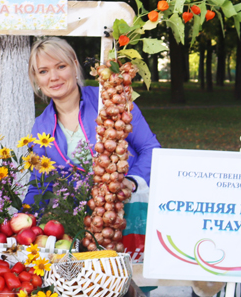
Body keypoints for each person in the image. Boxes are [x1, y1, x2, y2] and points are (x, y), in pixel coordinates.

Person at [22, 37, 160, 206]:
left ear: (75, 66)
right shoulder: (41, 126)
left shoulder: (110, 101)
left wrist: (132, 182)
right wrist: (24, 222)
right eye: (43, 71)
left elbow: (150, 148)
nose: (54, 77)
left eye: (61, 66)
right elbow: (40, 185)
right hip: (78, 222)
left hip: (128, 208)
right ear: (36, 78)